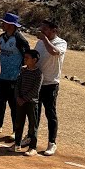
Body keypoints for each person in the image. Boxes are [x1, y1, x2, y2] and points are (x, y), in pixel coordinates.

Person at [0, 12, 30, 136]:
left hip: (15, 77)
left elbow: (27, 55)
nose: (2, 24)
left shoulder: (20, 39)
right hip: (2, 75)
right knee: (0, 101)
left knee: (14, 104)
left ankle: (16, 129)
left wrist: (23, 69)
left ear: (11, 25)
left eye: (4, 22)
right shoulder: (1, 37)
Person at [33, 19, 67, 156]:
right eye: (42, 29)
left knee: (50, 114)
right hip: (37, 82)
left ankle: (52, 143)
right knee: (34, 112)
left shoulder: (61, 43)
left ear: (54, 30)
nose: (42, 31)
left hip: (51, 83)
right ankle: (31, 137)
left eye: (45, 29)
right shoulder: (40, 42)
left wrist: (45, 39)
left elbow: (54, 52)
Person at [12, 50, 43, 156]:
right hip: (20, 102)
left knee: (32, 125)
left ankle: (32, 147)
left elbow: (35, 90)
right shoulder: (23, 70)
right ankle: (17, 145)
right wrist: (18, 97)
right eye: (24, 57)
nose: (25, 59)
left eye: (27, 58)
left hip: (31, 103)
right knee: (18, 123)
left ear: (34, 60)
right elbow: (17, 85)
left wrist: (24, 99)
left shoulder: (38, 73)